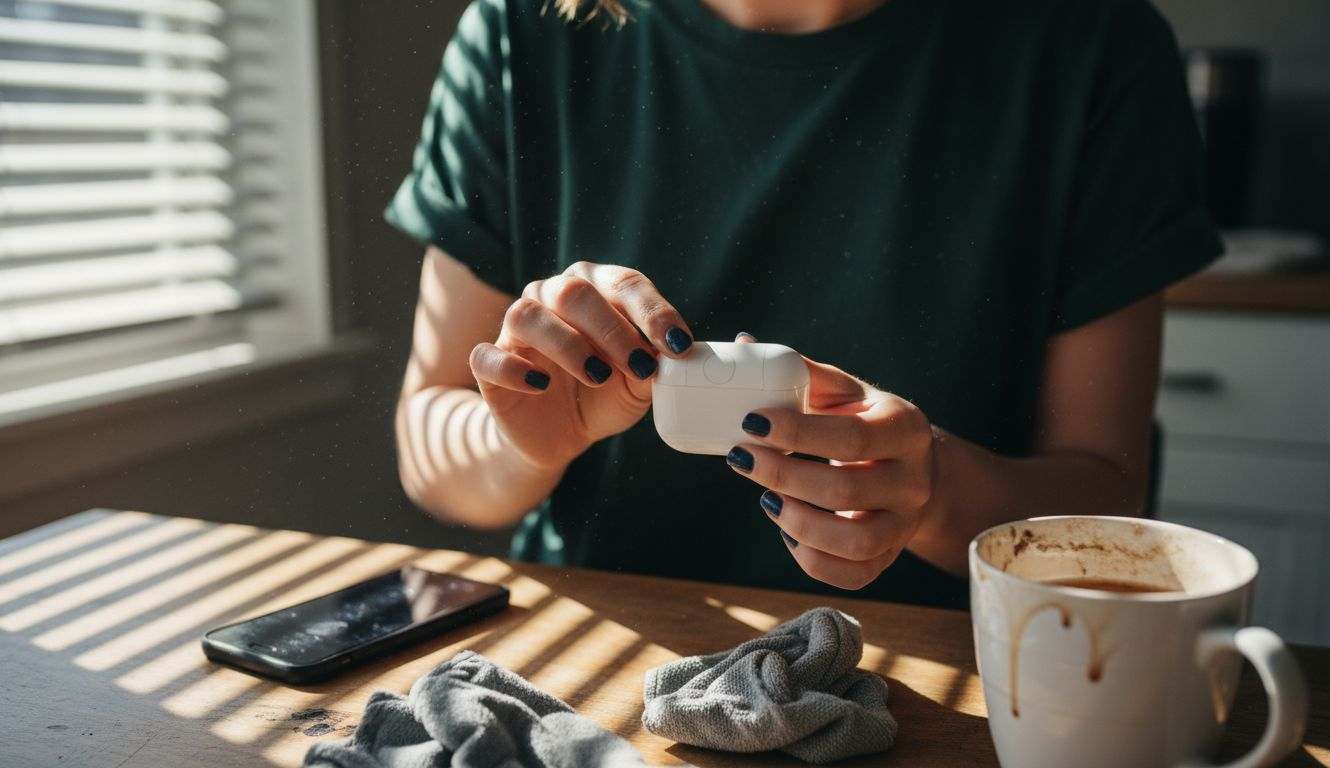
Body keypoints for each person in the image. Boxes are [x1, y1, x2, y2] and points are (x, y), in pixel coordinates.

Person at [389, 0, 1222, 609]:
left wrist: (935, 493)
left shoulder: (1092, 47)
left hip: (951, 680)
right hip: (597, 663)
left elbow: (1106, 497)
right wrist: (521, 441)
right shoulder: (520, 31)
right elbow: (430, 437)